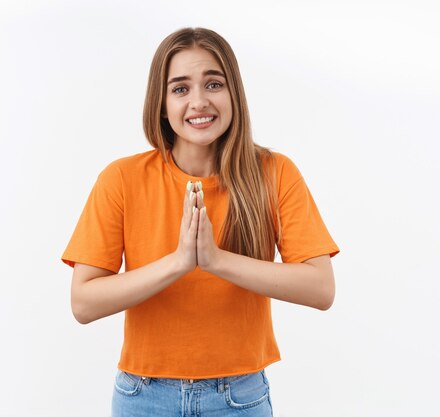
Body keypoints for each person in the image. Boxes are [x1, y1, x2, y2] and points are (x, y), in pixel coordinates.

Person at [61, 27, 339, 417]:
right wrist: (178, 262)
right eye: (180, 89)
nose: (199, 101)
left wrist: (216, 260)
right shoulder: (121, 178)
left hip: (239, 397)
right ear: (161, 103)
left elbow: (321, 288)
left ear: (234, 94)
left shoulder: (275, 173)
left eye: (213, 84)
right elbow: (83, 302)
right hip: (143, 396)